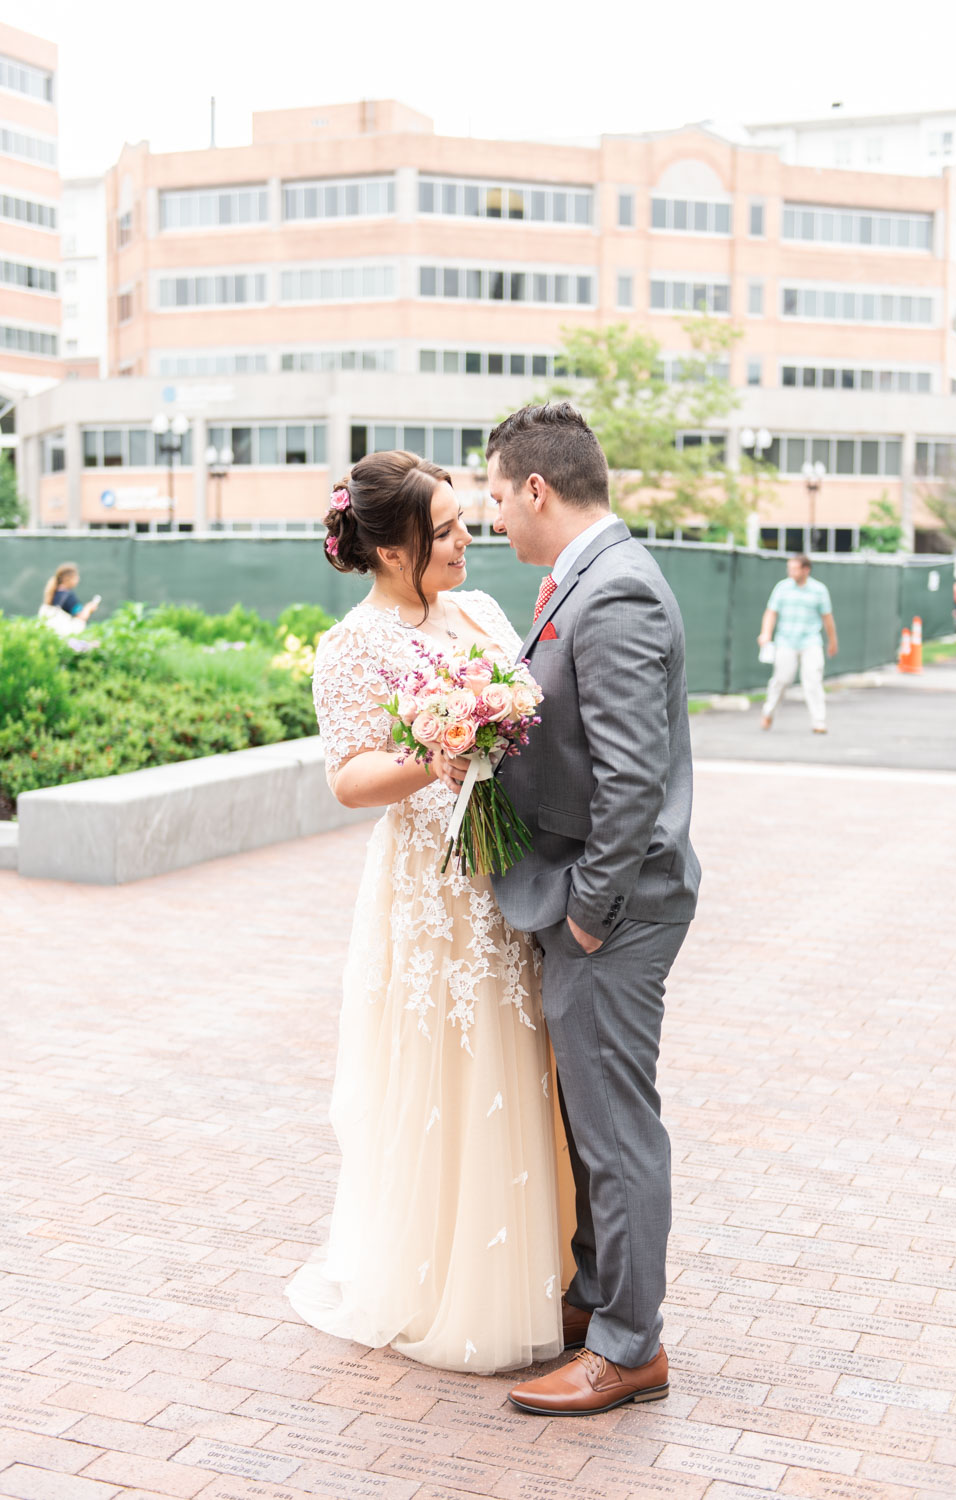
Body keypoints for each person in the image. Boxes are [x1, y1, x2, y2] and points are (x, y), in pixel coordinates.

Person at [285, 450, 568, 1375]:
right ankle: (444, 1283)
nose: (464, 538)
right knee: (449, 1068)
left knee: (523, 1060)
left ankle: (543, 1272)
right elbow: (348, 779)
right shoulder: (352, 647)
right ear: (393, 548)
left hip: (507, 876)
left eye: (458, 519)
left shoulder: (482, 612)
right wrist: (438, 754)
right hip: (431, 888)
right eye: (443, 529)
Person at [477, 403, 701, 1416]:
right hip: (586, 900)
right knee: (590, 1125)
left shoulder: (612, 594)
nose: (489, 516)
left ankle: (628, 1348)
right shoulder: (586, 576)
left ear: (536, 489)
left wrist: (586, 916)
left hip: (611, 909)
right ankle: (597, 1300)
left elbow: (628, 781)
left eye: (492, 495)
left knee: (615, 1133)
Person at [757, 554, 838, 734]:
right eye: (789, 568)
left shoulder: (819, 590)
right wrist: (765, 633)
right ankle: (768, 712)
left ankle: (819, 722)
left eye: (795, 568)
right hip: (786, 641)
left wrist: (832, 641)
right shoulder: (782, 588)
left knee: (813, 680)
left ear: (806, 570)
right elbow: (771, 612)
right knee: (781, 680)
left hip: (811, 641)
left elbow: (827, 618)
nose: (791, 572)